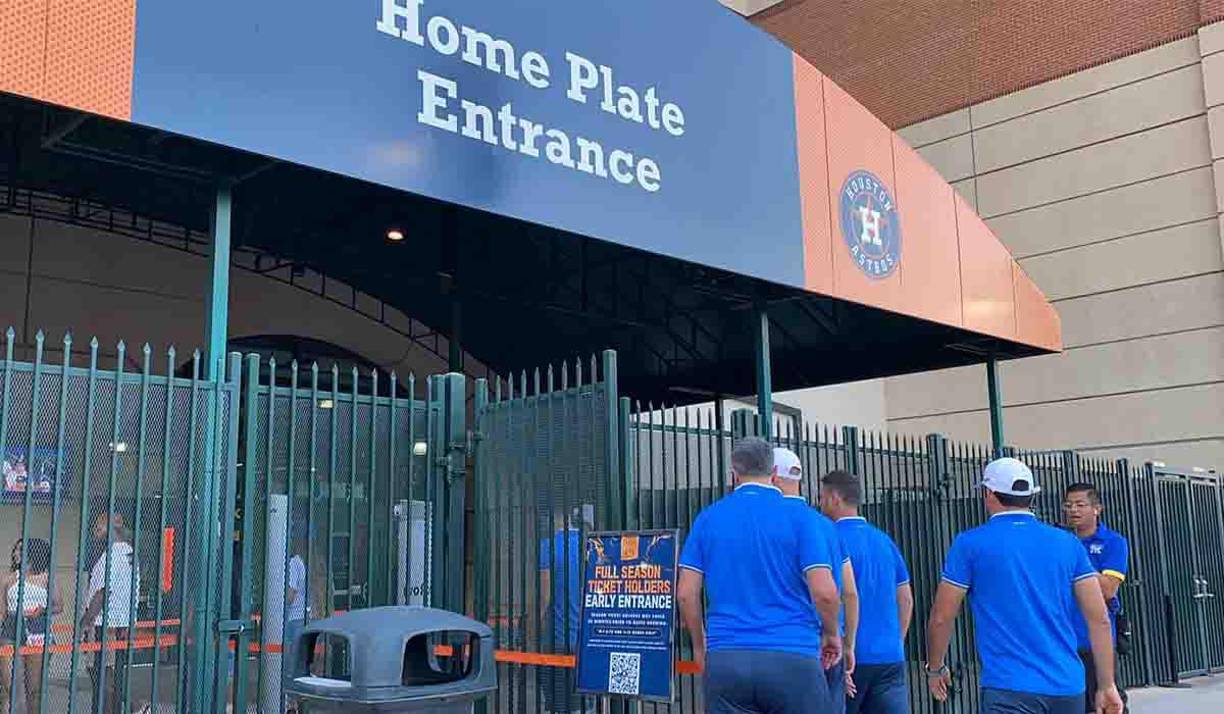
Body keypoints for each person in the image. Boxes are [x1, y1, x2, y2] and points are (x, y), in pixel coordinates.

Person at [925, 458, 1124, 714]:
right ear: (1031, 495)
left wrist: (935, 667)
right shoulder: (1067, 543)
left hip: (1008, 688)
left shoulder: (969, 544)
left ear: (988, 494)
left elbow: (941, 616)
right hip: (1067, 687)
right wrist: (1107, 685)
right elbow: (1100, 619)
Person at [677, 437, 842, 714]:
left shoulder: (708, 518)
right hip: (793, 655)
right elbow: (825, 592)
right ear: (774, 474)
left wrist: (699, 644)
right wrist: (831, 633)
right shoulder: (803, 519)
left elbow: (685, 594)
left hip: (726, 657)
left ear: (734, 474)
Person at [773, 448, 859, 714]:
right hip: (828, 647)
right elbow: (849, 592)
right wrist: (846, 644)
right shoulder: (826, 526)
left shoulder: (767, 523)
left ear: (772, 477)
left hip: (784, 646)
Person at [820, 470, 913, 714]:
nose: (820, 504)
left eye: (822, 497)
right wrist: (896, 641)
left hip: (849, 659)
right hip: (889, 657)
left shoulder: (829, 539)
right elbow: (905, 597)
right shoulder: (884, 541)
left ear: (834, 498)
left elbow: (831, 598)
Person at [1063, 483, 1130, 712]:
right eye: (1069, 505)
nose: (1074, 510)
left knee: (1106, 703)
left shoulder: (1113, 542)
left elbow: (1108, 588)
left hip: (1095, 641)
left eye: (1080, 505)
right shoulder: (1059, 541)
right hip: (1063, 640)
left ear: (1097, 508)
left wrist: (1075, 562)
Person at [80, 512, 139, 714]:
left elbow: (103, 591)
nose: (95, 532)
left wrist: (86, 621)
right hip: (119, 622)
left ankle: (131, 707)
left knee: (104, 677)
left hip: (105, 624)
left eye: (99, 527)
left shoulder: (114, 555)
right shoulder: (127, 554)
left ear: (112, 528)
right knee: (111, 676)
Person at [0, 538, 62, 714]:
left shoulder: (47, 577)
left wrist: (43, 610)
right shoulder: (8, 578)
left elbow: (59, 605)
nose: (15, 554)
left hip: (38, 629)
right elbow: (2, 611)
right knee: (9, 686)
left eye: (20, 550)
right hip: (11, 627)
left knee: (33, 689)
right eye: (15, 549)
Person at [538, 507, 586, 714]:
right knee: (581, 699)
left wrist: (535, 626)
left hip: (557, 637)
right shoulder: (588, 545)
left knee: (557, 700)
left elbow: (545, 597)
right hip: (585, 637)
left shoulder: (548, 546)